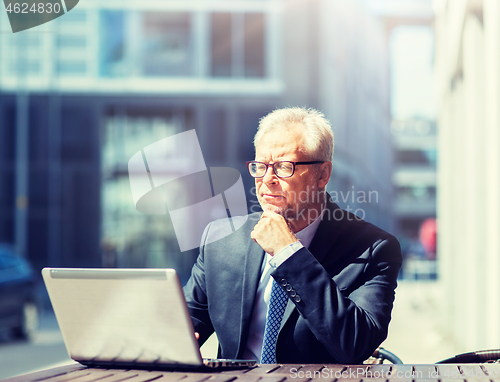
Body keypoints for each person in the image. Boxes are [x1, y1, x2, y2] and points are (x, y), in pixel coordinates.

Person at [183, 107, 402, 364]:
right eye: (260, 166)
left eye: (283, 167)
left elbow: (355, 344)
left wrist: (289, 252)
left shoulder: (373, 249)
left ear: (323, 174)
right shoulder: (222, 239)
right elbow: (184, 323)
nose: (267, 179)